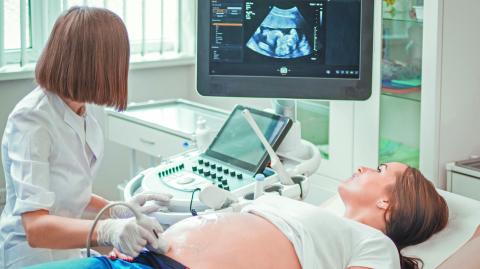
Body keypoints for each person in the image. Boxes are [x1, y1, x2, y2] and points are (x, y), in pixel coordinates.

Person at [24, 162, 449, 269]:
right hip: (142, 260)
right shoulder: (304, 210)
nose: (363, 168)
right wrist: (132, 234)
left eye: (379, 171)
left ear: (386, 204)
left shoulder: (375, 246)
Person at [0, 7, 173, 269]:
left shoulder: (80, 110)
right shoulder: (32, 121)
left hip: (68, 251)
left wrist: (116, 209)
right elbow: (35, 227)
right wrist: (108, 229)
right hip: (31, 257)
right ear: (98, 64)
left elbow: (69, 191)